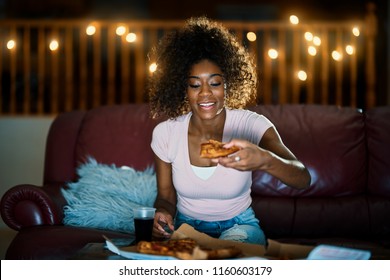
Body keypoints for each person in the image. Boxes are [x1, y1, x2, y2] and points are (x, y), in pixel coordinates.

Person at [147, 17, 311, 245]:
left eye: (215, 83)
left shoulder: (252, 124)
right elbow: (165, 196)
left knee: (228, 258)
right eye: (195, 85)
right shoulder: (165, 133)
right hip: (187, 227)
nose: (205, 94)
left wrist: (264, 159)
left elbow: (303, 178)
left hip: (239, 226)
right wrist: (162, 215)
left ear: (228, 84)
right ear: (182, 88)